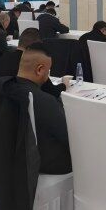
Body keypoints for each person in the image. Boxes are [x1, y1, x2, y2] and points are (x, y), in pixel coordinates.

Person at [10, 43, 72, 174]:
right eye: (48, 71)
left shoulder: (4, 90)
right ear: (40, 70)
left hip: (13, 158)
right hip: (45, 164)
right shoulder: (45, 101)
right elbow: (68, 138)